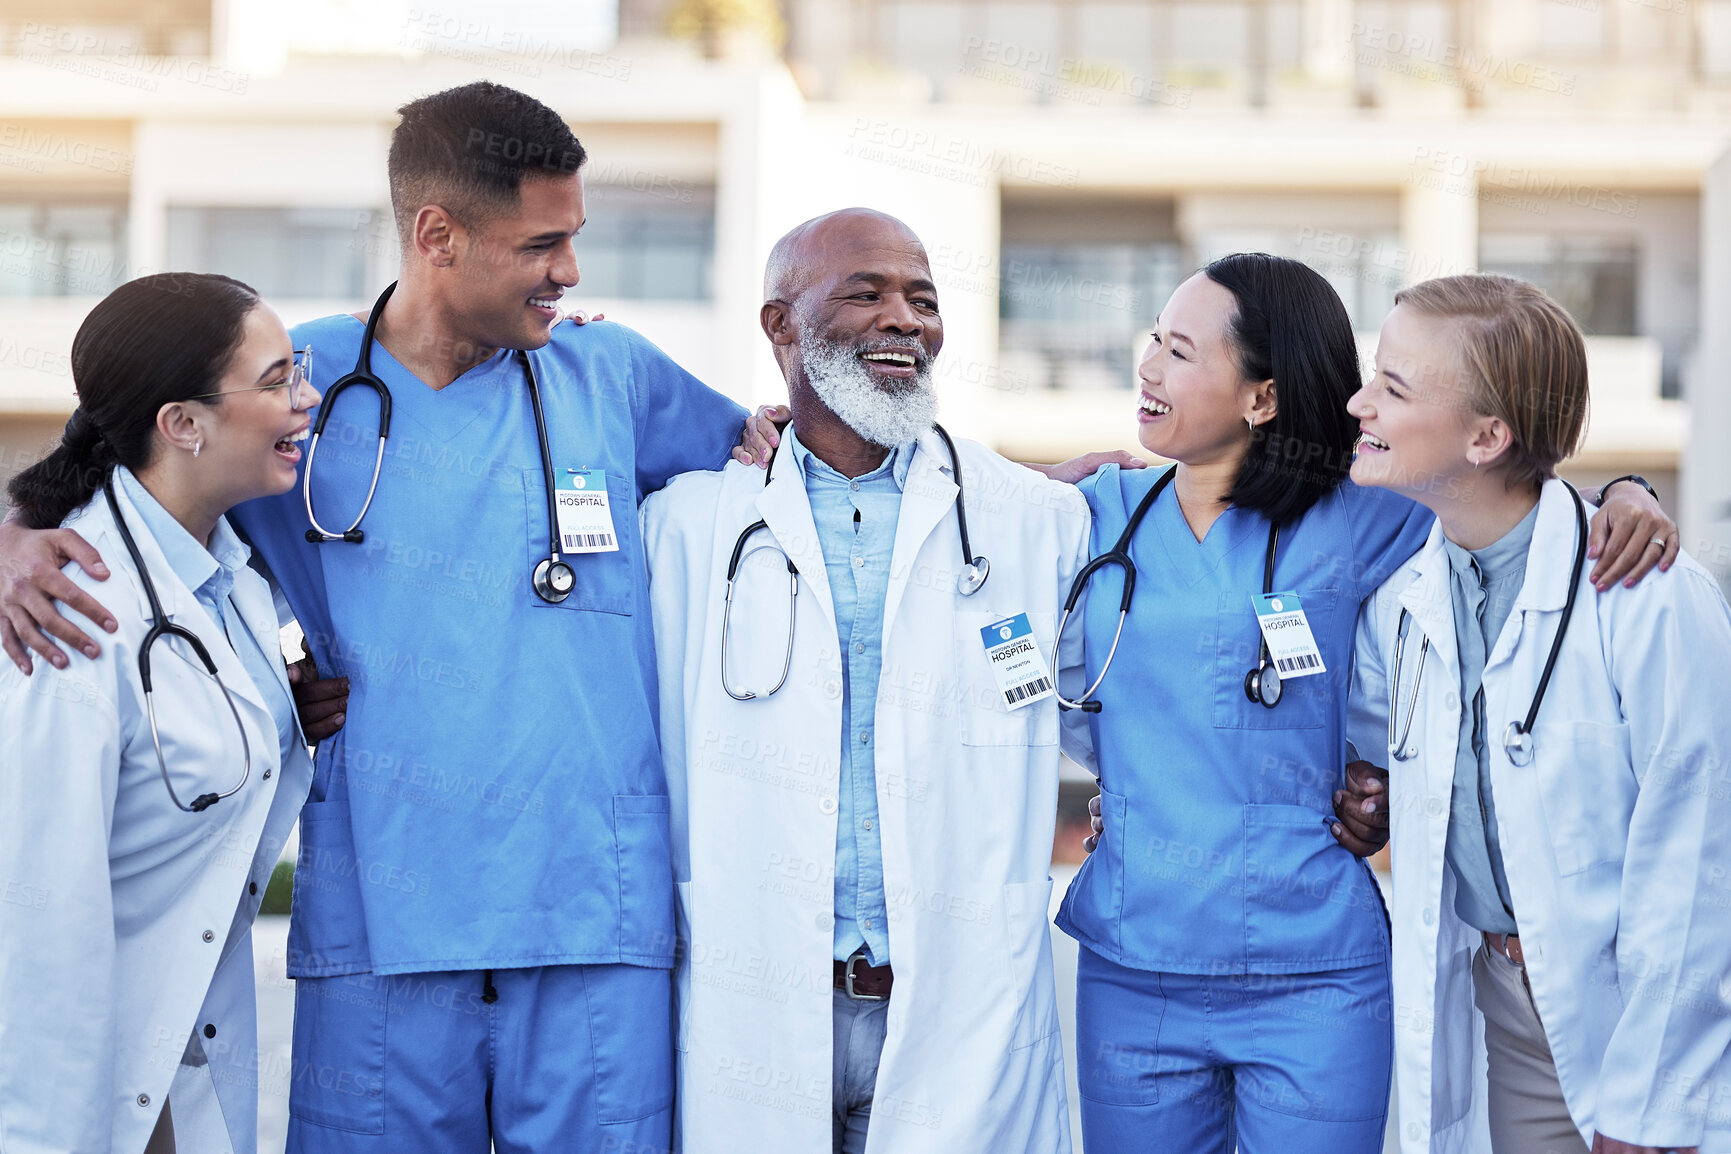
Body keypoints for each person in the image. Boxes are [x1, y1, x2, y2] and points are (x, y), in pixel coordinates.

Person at [0, 83, 769, 1153]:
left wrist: (1019, 493)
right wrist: (7, 538)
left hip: (594, 925)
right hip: (382, 933)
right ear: (438, 234)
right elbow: (116, 466)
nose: (570, 272)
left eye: (574, 240)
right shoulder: (296, 390)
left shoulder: (613, 372)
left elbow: (791, 472)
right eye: (542, 243)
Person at [1061, 254, 1676, 1154]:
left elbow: (1511, 508)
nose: (1147, 365)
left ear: (1262, 398)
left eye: (1179, 350)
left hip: (1315, 972)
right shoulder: (1091, 511)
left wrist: (1627, 494)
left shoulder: (1362, 511)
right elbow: (949, 514)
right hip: (1134, 965)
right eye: (1155, 338)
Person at [643, 207, 1092, 1153]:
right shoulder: (684, 525)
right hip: (760, 1003)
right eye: (867, 293)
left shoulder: (1031, 520)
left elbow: (1124, 713)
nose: (906, 320)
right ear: (778, 326)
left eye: (923, 300)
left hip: (958, 1005)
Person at [1345, 274, 1731, 1154]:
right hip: (1507, 1007)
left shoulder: (1649, 601)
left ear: (1486, 436)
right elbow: (1374, 752)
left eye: (1392, 388)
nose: (1356, 401)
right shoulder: (1400, 606)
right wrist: (1365, 796)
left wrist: (1650, 1104)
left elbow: (1696, 866)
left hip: (1649, 1021)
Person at [0, 273, 317, 1153]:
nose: (308, 398)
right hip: (82, 1086)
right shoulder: (67, 611)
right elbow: (36, 923)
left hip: (181, 1059)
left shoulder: (228, 574)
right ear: (183, 423)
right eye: (279, 378)